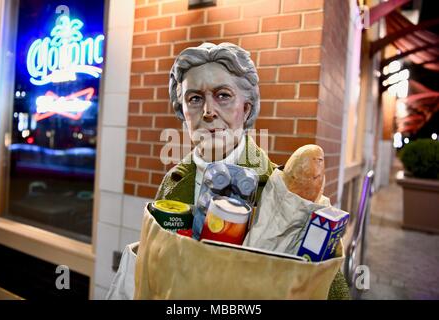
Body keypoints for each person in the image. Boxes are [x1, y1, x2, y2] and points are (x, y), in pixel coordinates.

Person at [107, 42, 350, 300]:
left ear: (246, 108)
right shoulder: (174, 180)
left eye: (223, 95)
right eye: (195, 98)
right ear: (183, 111)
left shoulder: (286, 196)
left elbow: (330, 291)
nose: (209, 112)